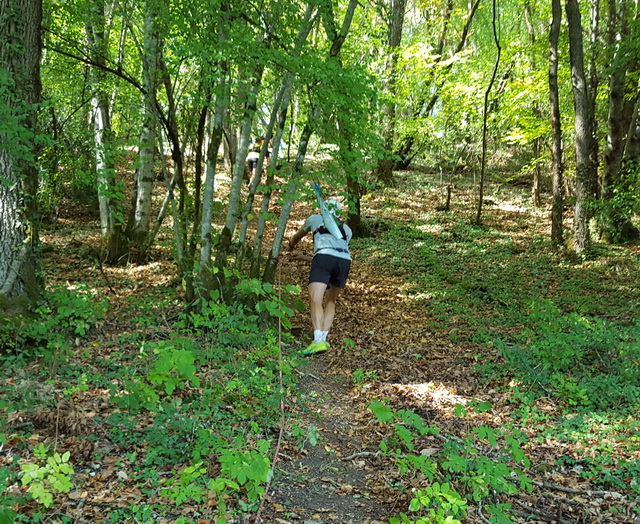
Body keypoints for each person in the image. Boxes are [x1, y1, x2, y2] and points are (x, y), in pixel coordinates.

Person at [288, 199, 352, 356]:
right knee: (331, 300)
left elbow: (298, 237)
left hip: (323, 258)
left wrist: (290, 245)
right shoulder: (347, 229)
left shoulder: (315, 219)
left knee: (315, 298)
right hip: (344, 261)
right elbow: (335, 253)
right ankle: (323, 337)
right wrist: (303, 257)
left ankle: (317, 341)